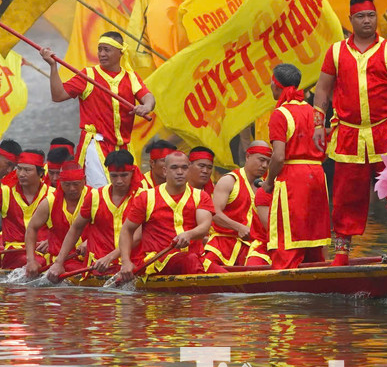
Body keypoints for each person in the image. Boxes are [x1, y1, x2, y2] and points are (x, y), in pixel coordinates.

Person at [313, 0, 387, 263]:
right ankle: (341, 252)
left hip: (386, 132)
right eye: (361, 16)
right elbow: (322, 89)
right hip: (348, 133)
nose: (367, 21)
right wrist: (317, 122)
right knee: (346, 195)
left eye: (371, 15)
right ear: (350, 20)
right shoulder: (335, 51)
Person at [42, 32, 156, 164]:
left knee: (130, 184)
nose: (101, 54)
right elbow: (58, 95)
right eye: (100, 49)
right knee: (102, 185)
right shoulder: (88, 75)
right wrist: (52, 66)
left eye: (106, 50)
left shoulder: (131, 77)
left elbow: (148, 96)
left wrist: (146, 106)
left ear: (120, 52)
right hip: (95, 145)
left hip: (123, 146)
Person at [263, 64, 331, 269]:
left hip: (293, 178)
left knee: (287, 239)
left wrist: (268, 182)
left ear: (276, 86)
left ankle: (284, 276)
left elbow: (278, 157)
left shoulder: (280, 114)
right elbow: (325, 151)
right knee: (313, 237)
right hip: (318, 176)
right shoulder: (313, 112)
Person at [112, 150, 214, 283]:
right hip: (159, 263)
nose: (179, 172)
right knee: (190, 260)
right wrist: (125, 262)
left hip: (196, 260)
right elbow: (127, 230)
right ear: (165, 171)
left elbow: (205, 227)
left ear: (189, 169)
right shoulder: (146, 197)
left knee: (222, 276)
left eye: (184, 167)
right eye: (174, 168)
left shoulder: (201, 196)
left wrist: (189, 234)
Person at [45, 150, 140, 281]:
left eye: (124, 175)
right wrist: (58, 263)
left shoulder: (142, 197)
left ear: (133, 173)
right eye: (114, 176)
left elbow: (136, 237)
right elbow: (75, 229)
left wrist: (111, 257)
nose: (119, 181)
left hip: (132, 264)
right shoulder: (95, 196)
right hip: (98, 265)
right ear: (108, 173)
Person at [0, 150, 55, 270]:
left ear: (40, 173)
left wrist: (50, 240)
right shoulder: (6, 192)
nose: (21, 174)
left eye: (27, 170)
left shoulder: (52, 195)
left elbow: (65, 226)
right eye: (19, 169)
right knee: (38, 261)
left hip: (43, 249)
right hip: (14, 251)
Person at [204, 140, 272, 270]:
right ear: (247, 156)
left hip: (254, 248)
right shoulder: (229, 180)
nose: (264, 165)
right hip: (223, 245)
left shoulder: (266, 186)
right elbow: (213, 213)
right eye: (261, 160)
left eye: (268, 162)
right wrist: (238, 227)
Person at [23, 162, 87, 278]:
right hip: (60, 263)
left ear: (84, 180)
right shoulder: (49, 202)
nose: (72, 189)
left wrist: (89, 242)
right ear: (60, 182)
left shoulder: (94, 197)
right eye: (67, 185)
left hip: (90, 259)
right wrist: (30, 260)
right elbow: (32, 228)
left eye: (76, 184)